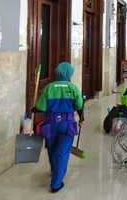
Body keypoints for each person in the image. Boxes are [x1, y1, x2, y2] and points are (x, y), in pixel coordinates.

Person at [34, 62, 84, 193]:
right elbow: (79, 105)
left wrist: (34, 109)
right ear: (68, 74)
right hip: (67, 124)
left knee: (52, 148)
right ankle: (56, 183)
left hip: (50, 124)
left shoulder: (48, 88)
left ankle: (54, 170)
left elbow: (41, 107)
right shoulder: (73, 88)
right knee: (62, 152)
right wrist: (81, 118)